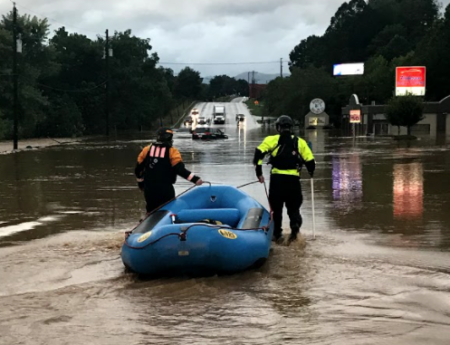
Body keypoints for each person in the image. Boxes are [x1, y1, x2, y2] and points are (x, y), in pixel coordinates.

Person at [252, 115, 315, 244]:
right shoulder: (300, 142)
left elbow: (258, 154)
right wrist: (311, 171)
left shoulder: (271, 140)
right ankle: (295, 231)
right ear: (291, 128)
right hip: (293, 180)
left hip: (277, 180)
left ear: (278, 128)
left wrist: (259, 173)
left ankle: (277, 234)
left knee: (276, 208)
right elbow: (310, 161)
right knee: (294, 208)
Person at [135, 127, 203, 213]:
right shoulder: (172, 152)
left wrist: (141, 184)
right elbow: (180, 170)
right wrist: (195, 179)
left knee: (151, 210)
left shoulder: (146, 150)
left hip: (149, 189)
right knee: (167, 211)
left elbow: (138, 170)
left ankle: (149, 223)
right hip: (165, 189)